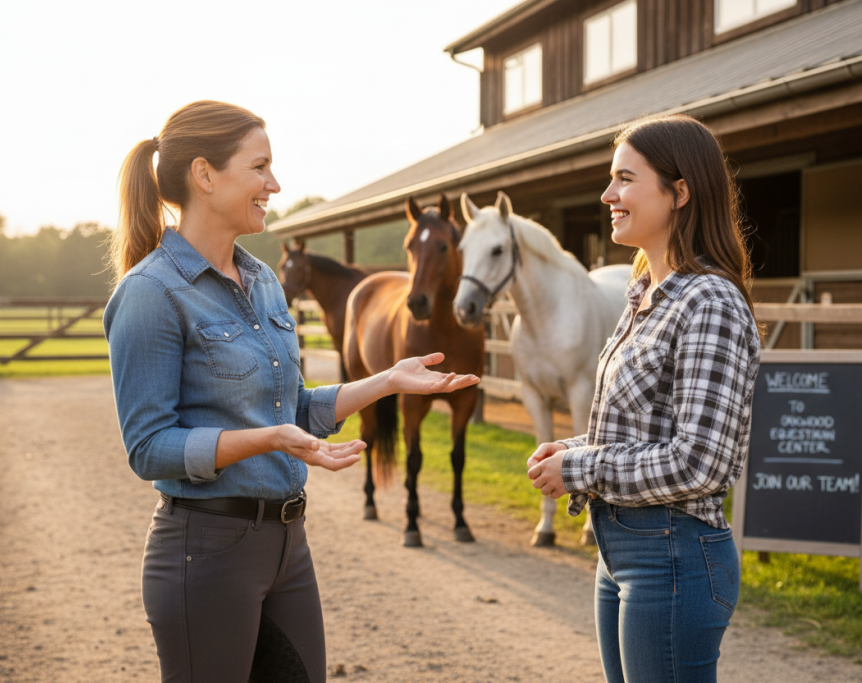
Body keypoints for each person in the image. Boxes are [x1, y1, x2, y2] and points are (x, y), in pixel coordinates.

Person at [102, 100, 478, 683]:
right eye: (259, 168)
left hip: (287, 547)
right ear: (205, 175)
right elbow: (149, 447)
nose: (274, 184)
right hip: (206, 548)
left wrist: (386, 381)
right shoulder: (151, 292)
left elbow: (294, 408)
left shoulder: (263, 281)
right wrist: (267, 439)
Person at [527, 114, 761, 683]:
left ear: (680, 192)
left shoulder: (710, 302)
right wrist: (574, 447)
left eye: (625, 179)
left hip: (674, 557)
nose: (608, 194)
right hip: (625, 552)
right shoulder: (644, 294)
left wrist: (580, 466)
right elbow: (644, 430)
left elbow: (700, 462)